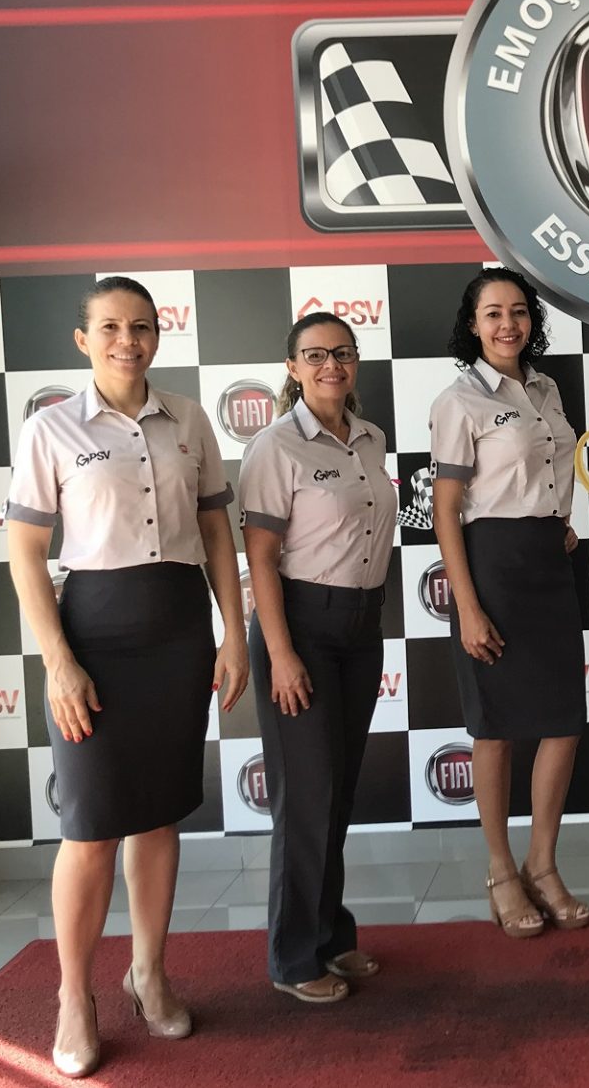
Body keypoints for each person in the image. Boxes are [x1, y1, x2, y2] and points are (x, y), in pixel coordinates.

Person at [5, 275, 248, 1078]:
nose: (127, 340)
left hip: (178, 630)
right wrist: (58, 660)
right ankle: (74, 995)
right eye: (110, 327)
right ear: (84, 340)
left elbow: (216, 531)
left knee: (159, 816)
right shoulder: (50, 427)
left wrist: (234, 633)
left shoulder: (190, 419)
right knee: (89, 828)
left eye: (140, 326)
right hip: (95, 634)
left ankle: (148, 972)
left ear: (157, 335)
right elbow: (25, 553)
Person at [239, 312, 397, 1003]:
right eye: (315, 354)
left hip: (360, 626)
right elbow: (261, 558)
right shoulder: (275, 445)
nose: (331, 364)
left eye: (342, 352)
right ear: (293, 367)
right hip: (299, 627)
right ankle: (293, 955)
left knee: (336, 792)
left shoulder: (370, 437)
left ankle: (331, 935)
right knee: (305, 798)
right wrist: (281, 653)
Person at [429, 267, 589, 938]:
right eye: (493, 313)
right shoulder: (459, 400)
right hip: (491, 566)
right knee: (494, 727)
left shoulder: (547, 388)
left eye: (518, 311)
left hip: (549, 563)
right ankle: (501, 871)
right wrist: (467, 606)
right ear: (472, 324)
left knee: (564, 720)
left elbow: (549, 473)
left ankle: (542, 865)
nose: (507, 324)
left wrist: (559, 521)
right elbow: (445, 511)